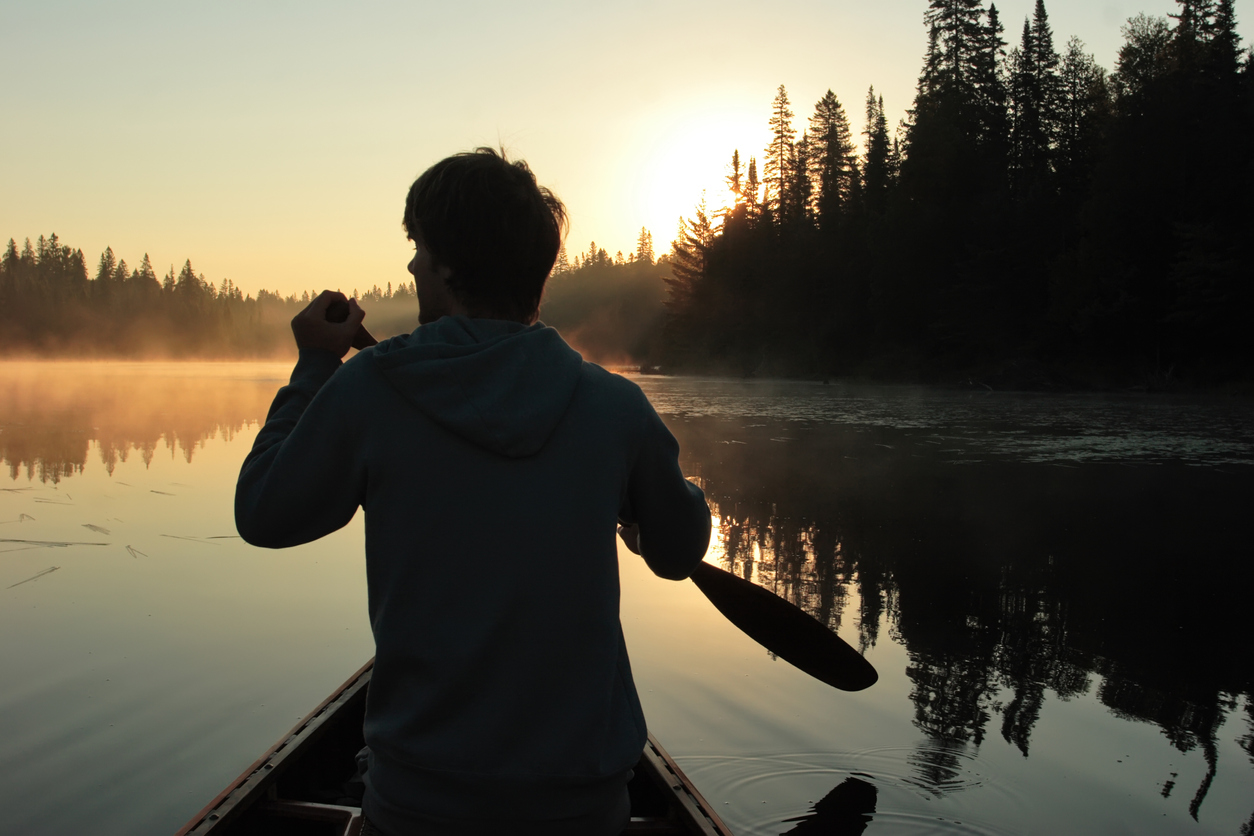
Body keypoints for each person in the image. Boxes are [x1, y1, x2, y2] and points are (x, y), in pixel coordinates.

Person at [234, 148, 711, 836]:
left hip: (419, 808)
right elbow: (677, 551)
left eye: (419, 248)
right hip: (580, 808)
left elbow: (262, 513)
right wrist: (671, 503)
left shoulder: (371, 390)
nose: (411, 266)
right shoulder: (614, 409)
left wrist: (312, 365)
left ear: (450, 266)